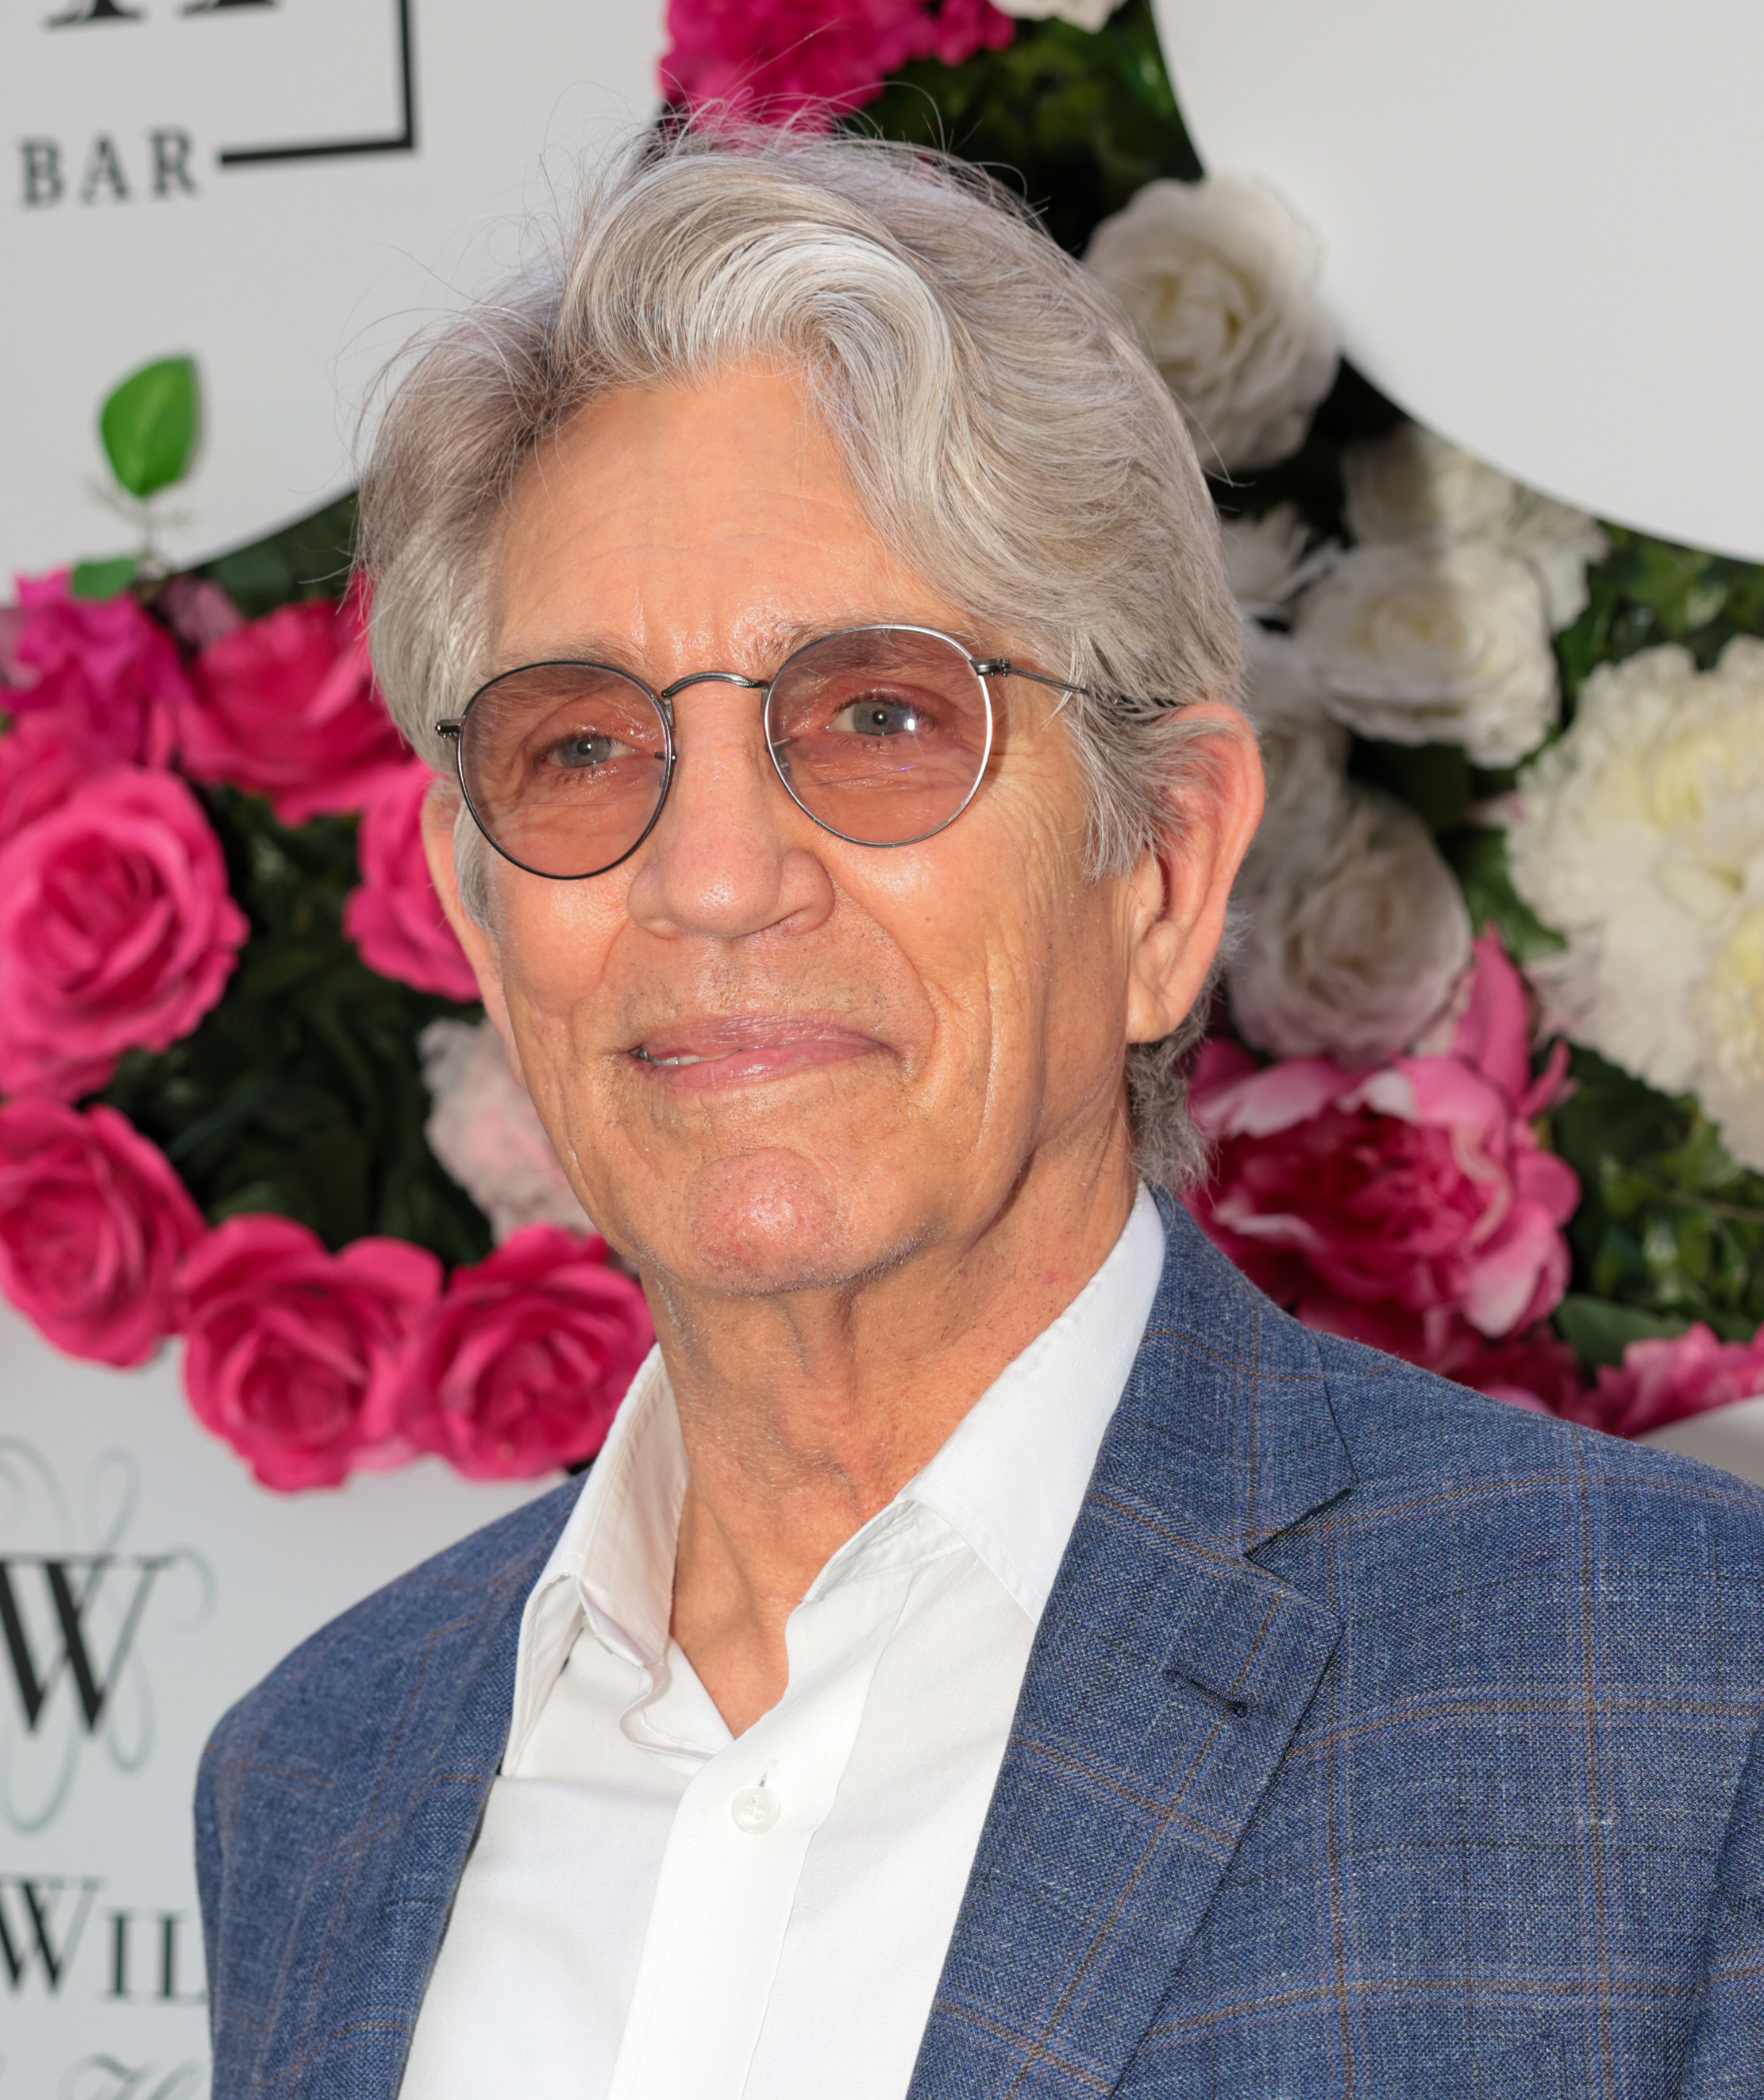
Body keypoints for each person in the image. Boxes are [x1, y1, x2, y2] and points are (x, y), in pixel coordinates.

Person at [195, 129, 1764, 2100]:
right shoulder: (321, 1778)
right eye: (583, 748)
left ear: (1164, 872)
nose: (713, 878)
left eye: (876, 715)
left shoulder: (1669, 1698)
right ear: (488, 929)